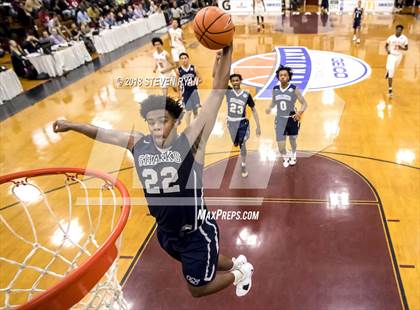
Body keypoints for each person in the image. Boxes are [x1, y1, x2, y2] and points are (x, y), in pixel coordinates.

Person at [52, 45, 255, 298]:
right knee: (202, 262)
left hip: (197, 232)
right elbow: (102, 133)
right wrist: (72, 124)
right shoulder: (138, 143)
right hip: (165, 232)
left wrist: (228, 45)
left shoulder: (190, 143)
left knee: (197, 287)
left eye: (164, 120)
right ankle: (237, 263)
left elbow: (216, 92)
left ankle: (241, 273)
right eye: (152, 121)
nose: (157, 127)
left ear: (177, 122)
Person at [265, 65, 308, 168]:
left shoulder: (294, 89)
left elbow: (304, 103)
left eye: (285, 75)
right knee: (280, 147)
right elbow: (274, 102)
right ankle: (285, 157)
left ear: (289, 77)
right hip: (279, 119)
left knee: (293, 139)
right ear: (278, 77)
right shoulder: (275, 89)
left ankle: (293, 154)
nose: (283, 77)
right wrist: (269, 107)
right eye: (281, 75)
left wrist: (299, 113)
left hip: (292, 118)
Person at [226, 74, 261, 178]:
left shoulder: (246, 95)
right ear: (231, 82)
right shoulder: (228, 92)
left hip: (242, 123)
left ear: (241, 81)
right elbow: (218, 78)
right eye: (233, 81)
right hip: (231, 123)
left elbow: (254, 110)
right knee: (235, 142)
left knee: (242, 144)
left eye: (237, 80)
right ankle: (236, 141)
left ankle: (243, 165)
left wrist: (258, 126)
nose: (235, 82)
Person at [176, 52, 202, 126]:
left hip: (194, 92)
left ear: (188, 59)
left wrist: (195, 82)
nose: (184, 60)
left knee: (195, 111)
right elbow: (178, 83)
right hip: (186, 93)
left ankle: (195, 126)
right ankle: (188, 127)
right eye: (182, 58)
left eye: (185, 58)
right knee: (188, 112)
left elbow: (201, 80)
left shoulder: (194, 68)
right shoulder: (179, 70)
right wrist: (179, 95)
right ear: (180, 60)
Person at [385, 24, 408, 97]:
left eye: (400, 30)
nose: (399, 31)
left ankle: (388, 71)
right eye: (398, 30)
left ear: (402, 31)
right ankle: (390, 89)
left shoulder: (404, 38)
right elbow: (386, 45)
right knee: (391, 71)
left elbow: (406, 48)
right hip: (391, 55)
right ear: (396, 30)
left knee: (393, 69)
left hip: (399, 56)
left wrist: (402, 48)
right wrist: (387, 51)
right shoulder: (391, 38)